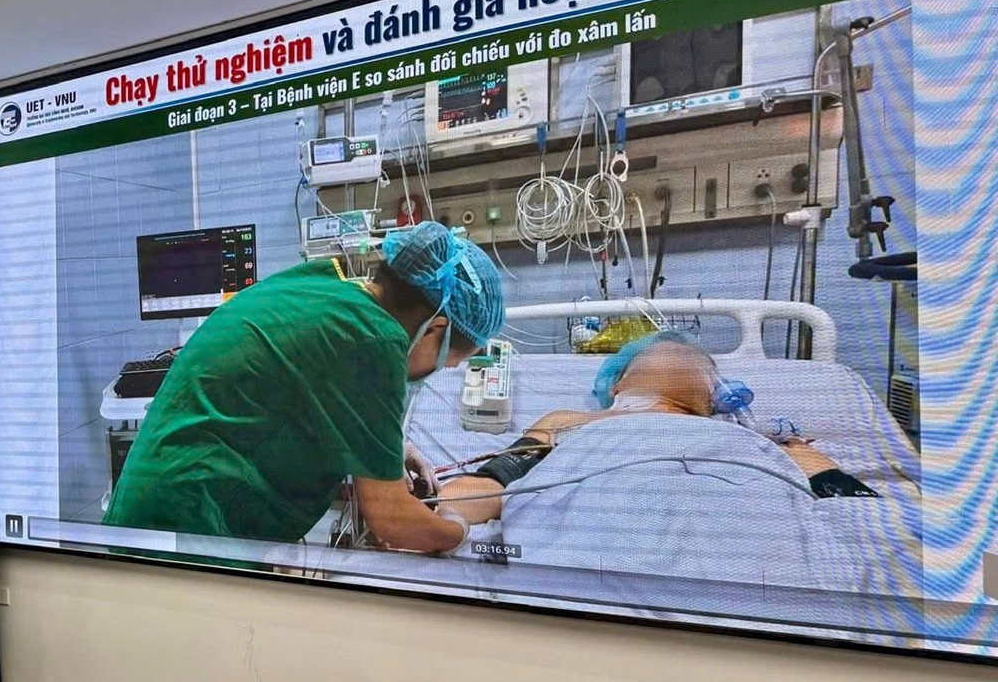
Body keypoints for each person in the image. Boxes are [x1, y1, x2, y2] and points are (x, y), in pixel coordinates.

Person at [105, 221, 505, 554]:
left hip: (157, 502)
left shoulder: (325, 290)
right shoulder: (376, 340)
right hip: (186, 523)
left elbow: (302, 390)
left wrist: (390, 448)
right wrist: (456, 531)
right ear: (435, 329)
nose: (439, 370)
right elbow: (393, 521)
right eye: (447, 361)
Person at [434, 331, 879, 531]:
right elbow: (491, 485)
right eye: (658, 355)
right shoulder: (569, 423)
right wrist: (428, 514)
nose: (681, 356)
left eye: (699, 365)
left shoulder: (752, 437)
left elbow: (850, 506)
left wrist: (792, 445)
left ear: (716, 393)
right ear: (618, 384)